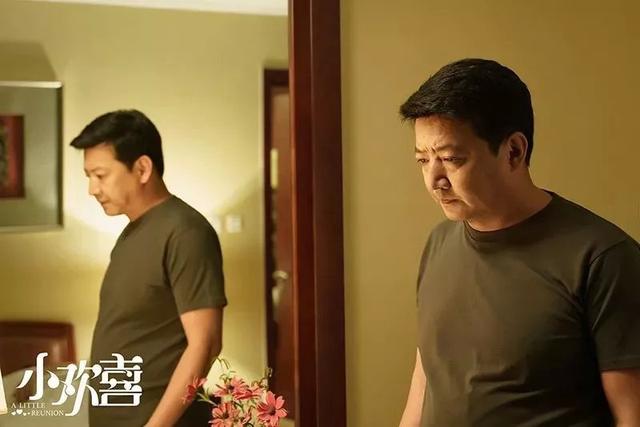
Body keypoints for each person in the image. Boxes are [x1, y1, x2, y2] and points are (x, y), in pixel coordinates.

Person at [397, 59, 640, 426]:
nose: (435, 180)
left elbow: (631, 415)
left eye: (450, 159)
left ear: (513, 151)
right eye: (422, 160)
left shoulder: (603, 257)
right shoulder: (439, 243)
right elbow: (425, 381)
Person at [71, 110, 227, 427]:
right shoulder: (131, 234)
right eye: (88, 176)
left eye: (100, 175)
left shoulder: (185, 232)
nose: (92, 189)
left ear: (142, 168)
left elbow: (206, 343)